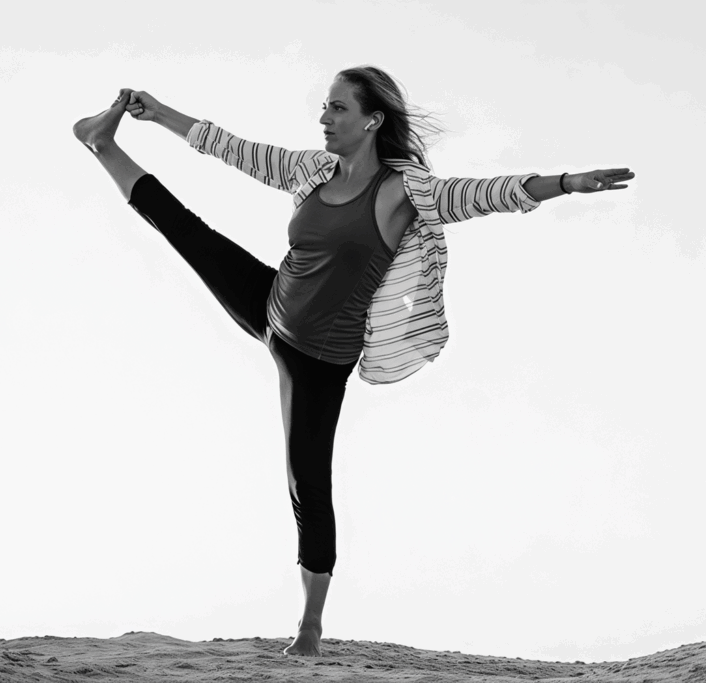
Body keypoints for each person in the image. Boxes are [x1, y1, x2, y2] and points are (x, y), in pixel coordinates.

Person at [72, 65, 635, 657]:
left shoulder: (404, 192)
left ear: (372, 120)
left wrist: (568, 182)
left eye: (338, 108)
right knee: (184, 228)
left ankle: (310, 626)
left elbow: (485, 193)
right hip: (271, 304)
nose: (324, 117)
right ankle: (102, 142)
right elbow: (232, 149)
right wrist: (159, 113)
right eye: (324, 106)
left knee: (306, 484)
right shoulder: (310, 170)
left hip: (319, 359)